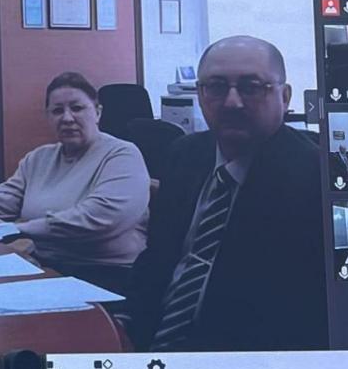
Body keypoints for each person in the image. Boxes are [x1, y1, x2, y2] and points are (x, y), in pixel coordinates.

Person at [125, 36, 327, 352]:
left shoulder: (314, 178)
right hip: (153, 341)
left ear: (285, 97)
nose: (232, 102)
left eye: (251, 87)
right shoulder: (184, 154)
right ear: (200, 94)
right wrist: (126, 326)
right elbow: (158, 260)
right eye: (216, 87)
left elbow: (291, 313)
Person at [0, 71, 149, 293]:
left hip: (105, 275)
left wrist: (14, 229)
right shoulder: (39, 158)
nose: (67, 118)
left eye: (77, 108)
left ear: (97, 112)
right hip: (47, 268)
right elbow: (3, 200)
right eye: (57, 111)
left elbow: (98, 218)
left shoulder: (122, 155)